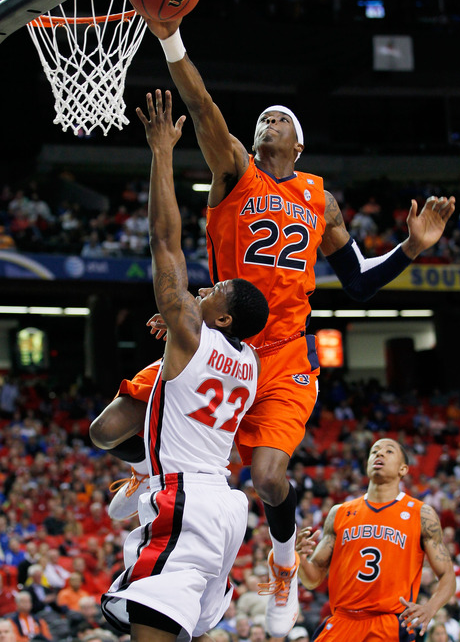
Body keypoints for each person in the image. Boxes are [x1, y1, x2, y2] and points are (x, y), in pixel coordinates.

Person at [93, 14, 456, 637]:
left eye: (282, 118)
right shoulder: (236, 170)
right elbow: (203, 108)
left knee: (266, 477)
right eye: (263, 117)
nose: (271, 119)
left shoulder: (322, 199)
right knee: (106, 430)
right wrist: (171, 37)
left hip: (283, 355)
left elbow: (362, 281)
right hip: (220, 342)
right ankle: (147, 478)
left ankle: (284, 565)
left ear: (300, 143)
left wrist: (412, 249)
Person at [100, 90, 269, 642]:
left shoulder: (195, 335)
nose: (205, 287)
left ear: (221, 319)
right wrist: (177, 326)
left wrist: (162, 152)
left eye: (214, 289)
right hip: (223, 507)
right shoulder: (248, 362)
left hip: (187, 499)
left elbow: (163, 240)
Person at [296, 438, 456, 640]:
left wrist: (430, 608)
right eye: (374, 451)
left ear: (403, 469)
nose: (379, 454)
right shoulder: (340, 512)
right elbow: (313, 579)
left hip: (388, 622)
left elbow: (447, 575)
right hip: (342, 620)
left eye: (389, 451)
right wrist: (300, 558)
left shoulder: (421, 514)